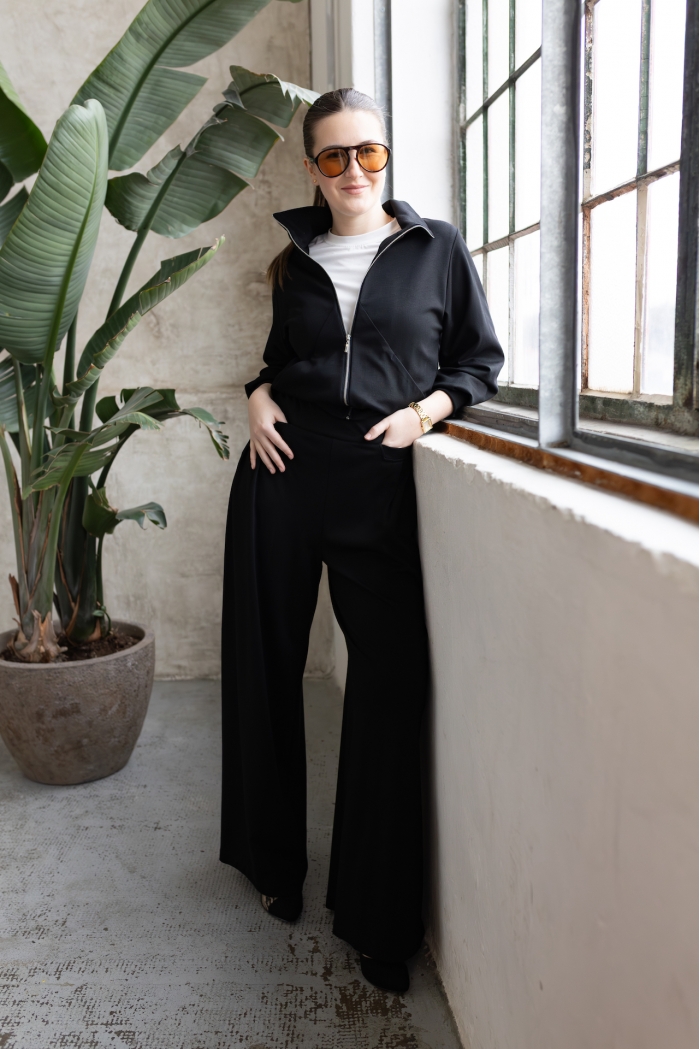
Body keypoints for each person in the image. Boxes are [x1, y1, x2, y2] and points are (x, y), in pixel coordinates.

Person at [220, 88, 504, 994]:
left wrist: (426, 412)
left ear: (388, 156)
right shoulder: (294, 262)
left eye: (368, 153)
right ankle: (273, 863)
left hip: (377, 475)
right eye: (335, 156)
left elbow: (479, 362)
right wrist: (256, 396)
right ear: (311, 167)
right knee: (264, 661)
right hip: (282, 470)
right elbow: (281, 365)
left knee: (388, 682)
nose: (354, 171)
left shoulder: (436, 248)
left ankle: (377, 916)